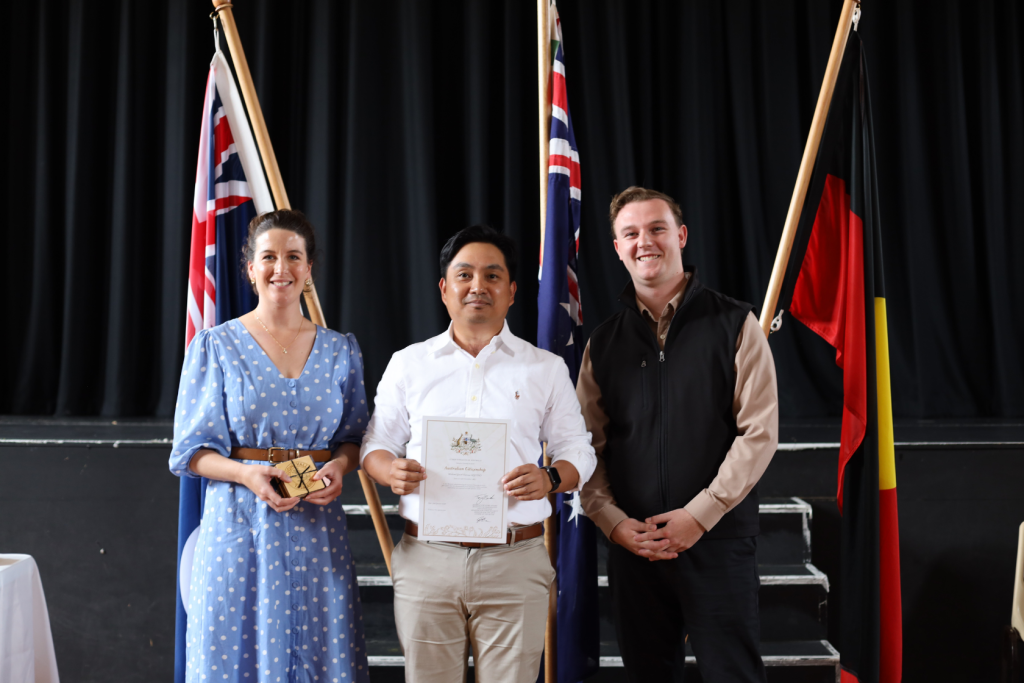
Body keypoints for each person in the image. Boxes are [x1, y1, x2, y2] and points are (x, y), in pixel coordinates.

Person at [359, 225, 597, 683]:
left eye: (492, 276)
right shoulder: (408, 363)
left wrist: (549, 478)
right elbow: (375, 446)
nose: (478, 286)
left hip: (516, 557)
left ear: (511, 291)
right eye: (464, 274)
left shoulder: (544, 368)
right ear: (445, 289)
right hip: (427, 557)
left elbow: (578, 452)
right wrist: (391, 471)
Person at [578, 187, 779, 683]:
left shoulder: (735, 322)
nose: (644, 241)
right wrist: (613, 522)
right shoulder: (603, 343)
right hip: (636, 546)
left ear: (681, 236)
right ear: (618, 248)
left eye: (656, 228)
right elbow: (584, 448)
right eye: (631, 233)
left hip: (718, 541)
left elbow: (759, 433)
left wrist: (700, 514)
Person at [169, 210, 370, 683]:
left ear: (308, 268)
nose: (281, 267)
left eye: (293, 257)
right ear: (250, 268)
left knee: (321, 654)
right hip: (238, 527)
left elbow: (355, 438)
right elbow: (190, 451)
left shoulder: (340, 350)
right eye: (270, 257)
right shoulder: (215, 346)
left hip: (317, 530)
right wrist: (246, 474)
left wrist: (341, 466)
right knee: (234, 656)